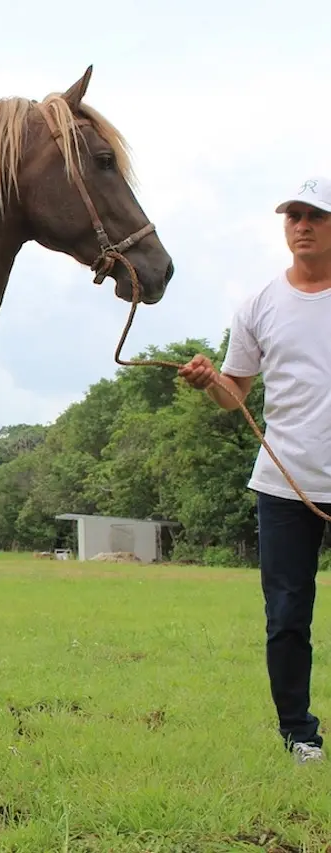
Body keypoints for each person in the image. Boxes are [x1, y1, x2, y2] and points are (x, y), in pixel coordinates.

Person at [179, 175, 331, 763]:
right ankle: (299, 733)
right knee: (288, 615)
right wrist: (209, 381)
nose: (302, 225)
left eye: (314, 214)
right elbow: (235, 391)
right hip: (285, 482)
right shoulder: (261, 305)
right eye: (293, 215)